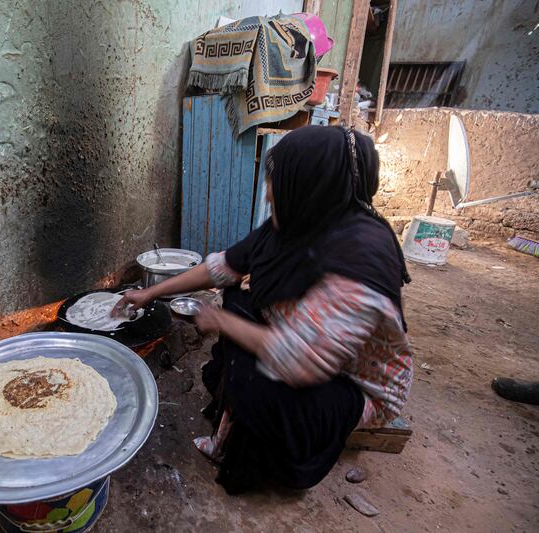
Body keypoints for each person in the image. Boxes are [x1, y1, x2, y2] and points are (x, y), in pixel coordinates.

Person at [112, 126, 413, 493]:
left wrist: (219, 319)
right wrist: (150, 292)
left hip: (352, 382)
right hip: (305, 343)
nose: (268, 195)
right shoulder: (301, 221)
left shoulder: (360, 260)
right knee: (237, 301)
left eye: (275, 183)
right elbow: (222, 267)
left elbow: (300, 360)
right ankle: (236, 413)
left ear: (310, 184)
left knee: (262, 384)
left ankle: (269, 466)